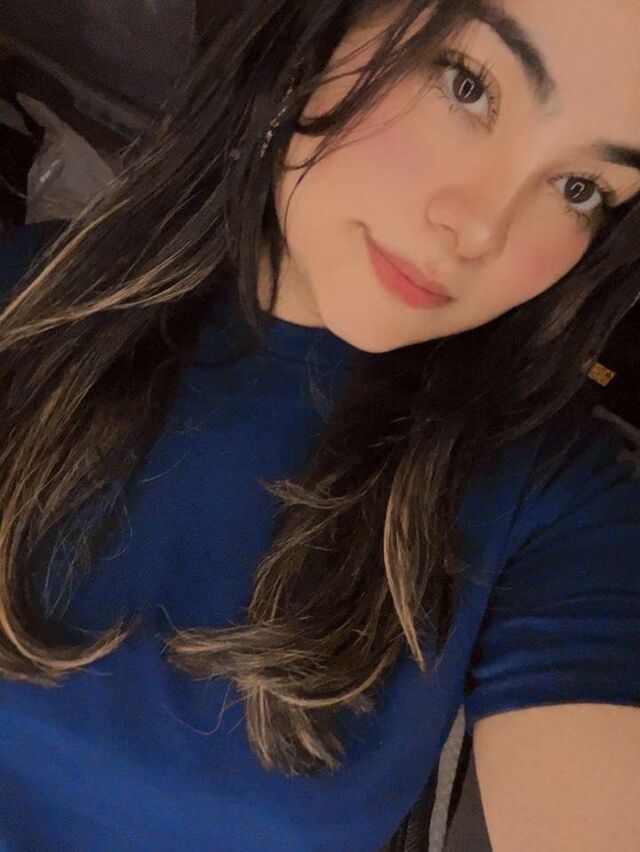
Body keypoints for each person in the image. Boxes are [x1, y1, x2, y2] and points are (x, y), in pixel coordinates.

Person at [0, 1, 639, 849]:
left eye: (579, 188)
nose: (481, 229)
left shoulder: (557, 504)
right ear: (320, 29)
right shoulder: (21, 307)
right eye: (468, 86)